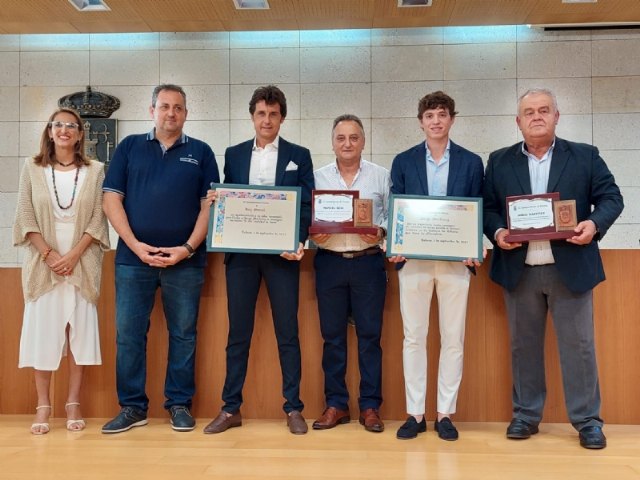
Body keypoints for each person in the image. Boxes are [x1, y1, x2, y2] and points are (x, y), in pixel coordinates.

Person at [483, 88, 624, 449]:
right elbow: (488, 208)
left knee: (580, 347)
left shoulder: (584, 156)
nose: (537, 116)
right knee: (523, 347)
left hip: (570, 268)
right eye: (529, 112)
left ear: (556, 116)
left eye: (544, 110)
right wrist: (497, 232)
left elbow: (611, 198)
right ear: (518, 122)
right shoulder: (499, 161)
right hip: (519, 269)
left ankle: (588, 421)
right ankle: (525, 416)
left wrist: (594, 224)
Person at [101, 84, 219, 433]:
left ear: (186, 113)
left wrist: (187, 248)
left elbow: (209, 207)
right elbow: (111, 200)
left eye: (178, 107)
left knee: (183, 335)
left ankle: (179, 404)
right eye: (165, 106)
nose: (171, 113)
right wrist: (136, 245)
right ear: (152, 110)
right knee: (129, 335)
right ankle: (132, 407)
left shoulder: (201, 152)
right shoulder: (129, 147)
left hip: (185, 263)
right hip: (133, 260)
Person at [203, 85, 314, 435]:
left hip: (283, 256)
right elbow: (230, 199)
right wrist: (217, 202)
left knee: (288, 333)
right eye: (261, 113)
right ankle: (230, 408)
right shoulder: (234, 154)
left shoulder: (299, 155)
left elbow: (306, 205)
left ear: (282, 118)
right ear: (252, 117)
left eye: (273, 114)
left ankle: (293, 408)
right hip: (242, 257)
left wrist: (299, 240)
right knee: (238, 333)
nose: (267, 120)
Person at [389, 91, 484, 441]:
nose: (436, 121)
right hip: (413, 261)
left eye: (442, 114)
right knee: (413, 337)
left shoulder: (471, 162)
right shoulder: (403, 161)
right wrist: (395, 245)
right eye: (429, 115)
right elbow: (396, 206)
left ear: (452, 119)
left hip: (456, 263)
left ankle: (445, 413)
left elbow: (477, 207)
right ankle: (415, 413)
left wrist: (474, 245)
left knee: (453, 338)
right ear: (421, 122)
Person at [13, 107, 110, 434]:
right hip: (44, 266)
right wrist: (50, 254)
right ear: (50, 131)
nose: (64, 130)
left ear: (80, 134)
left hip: (82, 264)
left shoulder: (95, 170)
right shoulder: (32, 167)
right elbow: (25, 215)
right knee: (43, 333)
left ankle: (73, 403)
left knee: (79, 335)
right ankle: (43, 405)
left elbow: (98, 218)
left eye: (71, 125)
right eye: (58, 125)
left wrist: (73, 255)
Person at [310, 114, 390, 433]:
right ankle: (336, 404)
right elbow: (307, 217)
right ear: (332, 142)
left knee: (370, 337)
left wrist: (381, 231)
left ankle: (370, 406)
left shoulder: (381, 176)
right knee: (332, 339)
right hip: (329, 262)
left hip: (368, 262)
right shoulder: (316, 178)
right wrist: (313, 233)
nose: (347, 143)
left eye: (354, 137)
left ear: (363, 141)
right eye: (341, 138)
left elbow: (392, 215)